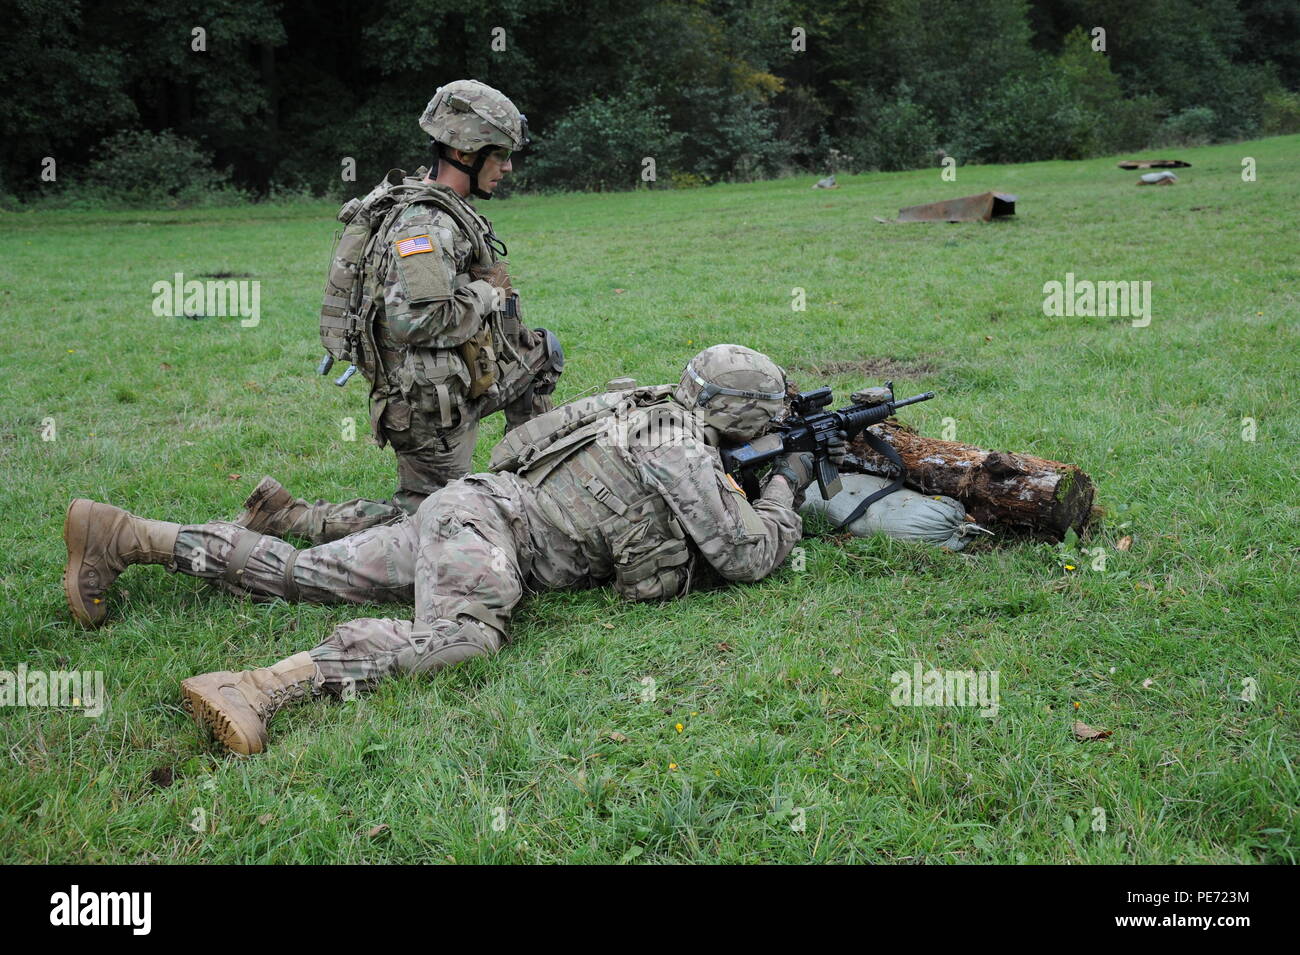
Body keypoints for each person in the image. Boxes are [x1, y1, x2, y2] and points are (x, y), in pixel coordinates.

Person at [62, 346, 843, 755]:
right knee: (465, 638)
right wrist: (790, 484)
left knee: (305, 572)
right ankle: (261, 685)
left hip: (463, 510)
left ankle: (125, 535)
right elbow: (745, 555)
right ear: (742, 420)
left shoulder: (640, 403)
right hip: (486, 534)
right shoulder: (682, 445)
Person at [258, 78, 565, 545]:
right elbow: (416, 322)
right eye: (499, 155)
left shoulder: (444, 207)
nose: (506, 168)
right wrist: (487, 293)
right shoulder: (425, 225)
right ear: (466, 154)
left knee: (540, 354)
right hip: (427, 406)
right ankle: (290, 518)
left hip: (461, 378)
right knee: (429, 525)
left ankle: (534, 492)